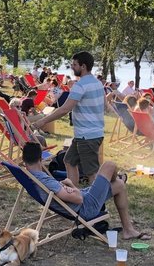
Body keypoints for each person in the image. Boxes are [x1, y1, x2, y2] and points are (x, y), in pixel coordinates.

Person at [22, 142, 148, 240]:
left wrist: (67, 187)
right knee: (109, 165)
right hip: (85, 208)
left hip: (80, 201)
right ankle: (118, 177)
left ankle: (128, 230)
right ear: (40, 159)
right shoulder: (44, 180)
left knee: (119, 186)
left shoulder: (29, 175)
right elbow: (78, 199)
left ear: (24, 160)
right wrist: (71, 184)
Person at [28, 51, 104, 187]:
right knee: (69, 161)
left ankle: (99, 206)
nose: (72, 67)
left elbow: (64, 109)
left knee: (91, 172)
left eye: (74, 65)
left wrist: (42, 121)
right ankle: (72, 191)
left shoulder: (80, 86)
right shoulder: (97, 83)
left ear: (83, 66)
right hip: (86, 134)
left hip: (88, 135)